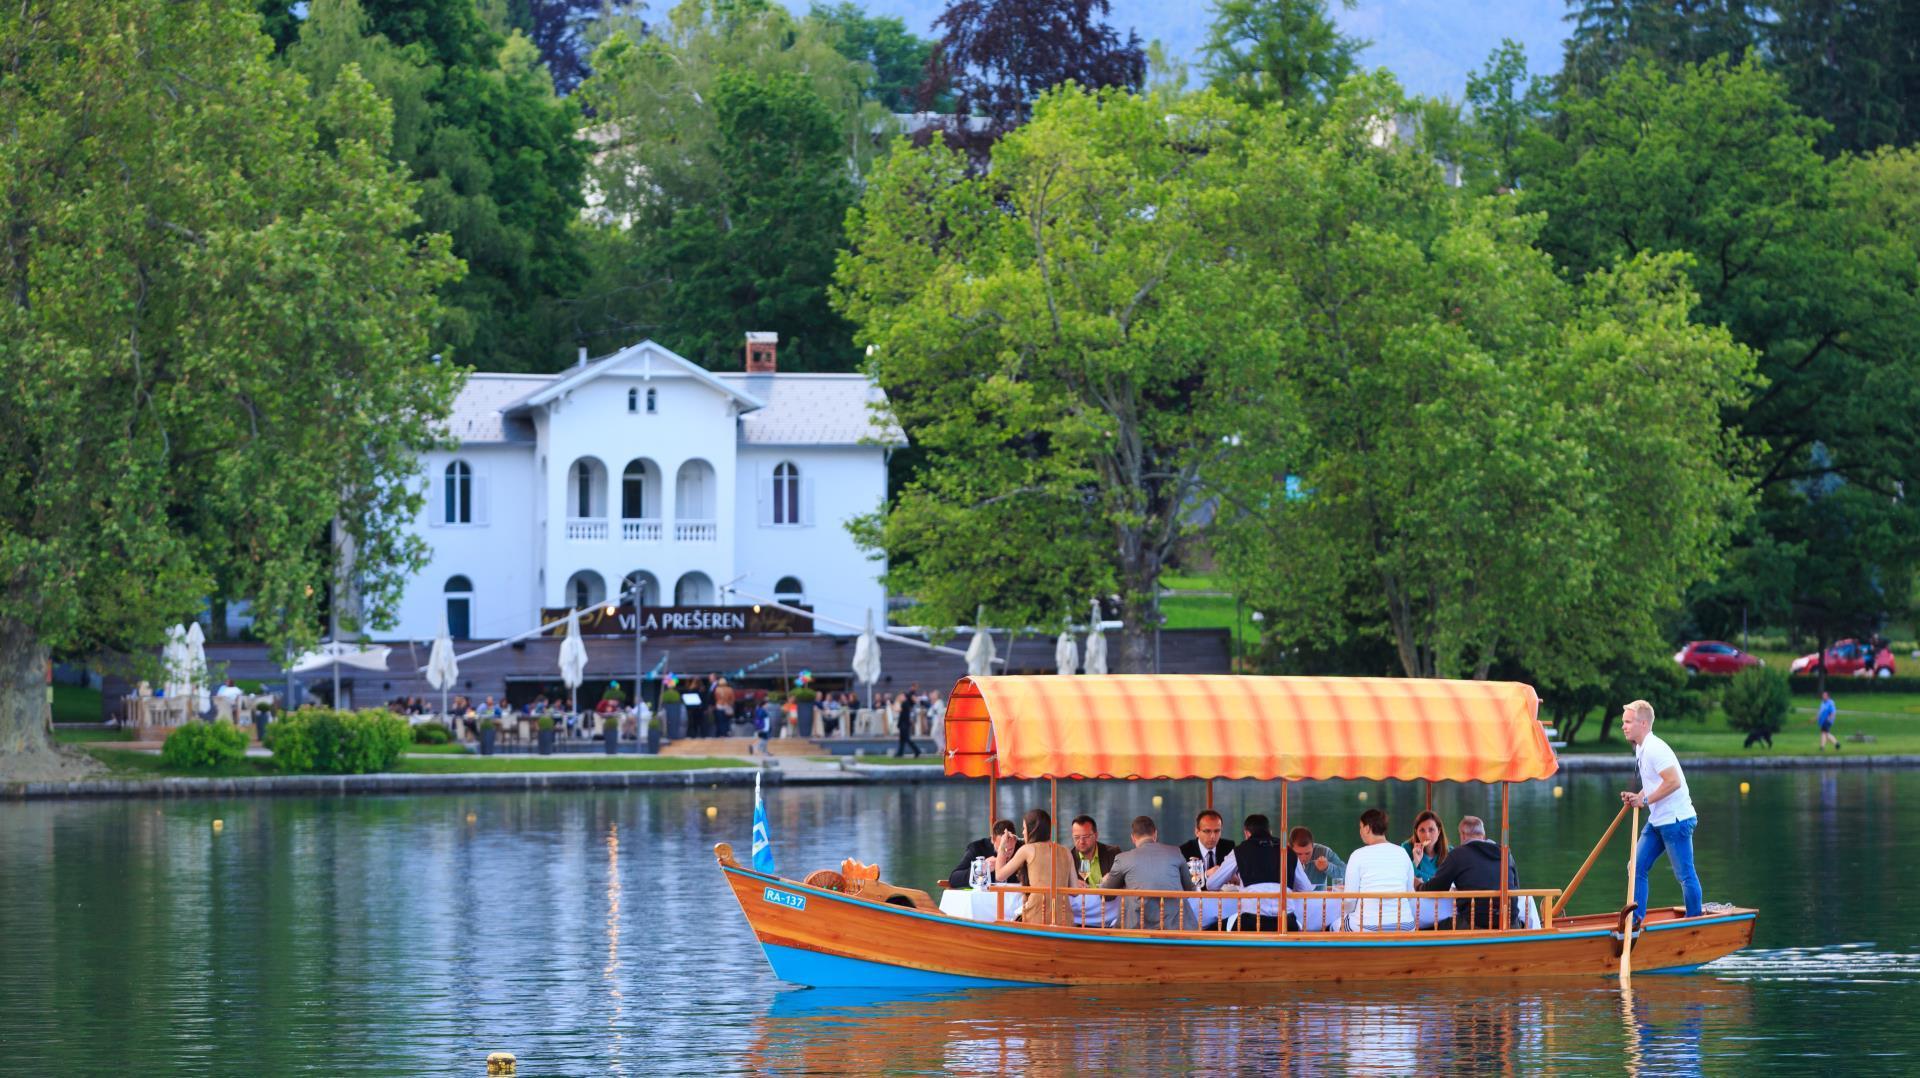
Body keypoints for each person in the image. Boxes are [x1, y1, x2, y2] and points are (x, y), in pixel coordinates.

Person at [1620, 698, 1703, 922]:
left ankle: (1694, 922)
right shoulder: (1640, 749)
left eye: (1628, 722)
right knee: (1635, 867)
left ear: (1643, 724)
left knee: (1685, 875)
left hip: (1677, 821)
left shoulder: (1655, 748)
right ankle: (1635, 921)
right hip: (1658, 820)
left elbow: (1673, 782)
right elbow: (1655, 784)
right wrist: (1638, 796)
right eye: (1623, 722)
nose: (1623, 726)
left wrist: (1644, 801)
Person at [1203, 814, 1312, 931]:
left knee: (1212, 928)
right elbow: (1306, 889)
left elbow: (1211, 885)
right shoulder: (1288, 851)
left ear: (1246, 833)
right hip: (1286, 923)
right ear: (1269, 831)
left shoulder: (1240, 851)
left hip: (1252, 923)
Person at [1420, 815, 1520, 929]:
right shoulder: (1506, 854)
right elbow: (1516, 886)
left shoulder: (1458, 854)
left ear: (1462, 835)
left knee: (1430, 927)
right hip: (1510, 923)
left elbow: (1436, 887)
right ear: (1483, 835)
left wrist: (1418, 885)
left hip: (1475, 923)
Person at [1101, 815, 1196, 929]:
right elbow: (1189, 889)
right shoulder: (1175, 852)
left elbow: (1106, 895)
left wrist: (1105, 880)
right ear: (1155, 834)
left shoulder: (1123, 859)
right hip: (1176, 927)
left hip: (1137, 927)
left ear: (1133, 838)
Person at [989, 809, 1075, 925]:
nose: (1023, 832)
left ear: (1032, 830)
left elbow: (999, 875)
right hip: (1064, 917)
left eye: (1024, 828)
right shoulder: (1066, 851)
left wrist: (1002, 847)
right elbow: (1075, 891)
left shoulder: (1027, 849)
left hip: (1038, 915)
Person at [1343, 808, 1415, 931]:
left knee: (1337, 923)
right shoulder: (1402, 853)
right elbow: (1410, 893)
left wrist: (1347, 912)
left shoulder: (1357, 855)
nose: (1360, 831)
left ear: (1367, 828)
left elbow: (1349, 899)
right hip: (1405, 925)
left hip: (1366, 927)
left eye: (1360, 827)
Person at [948, 819, 1022, 889]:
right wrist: (980, 869)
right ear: (993, 839)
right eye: (1001, 849)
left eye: (1010, 850)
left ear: (1015, 840)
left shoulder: (1022, 848)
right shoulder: (977, 848)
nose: (1005, 854)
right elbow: (954, 879)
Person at [1179, 810, 1236, 877]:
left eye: (1217, 831)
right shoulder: (1184, 851)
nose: (1213, 836)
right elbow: (1184, 881)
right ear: (1197, 832)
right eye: (1207, 831)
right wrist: (1206, 874)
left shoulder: (1229, 848)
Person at [1069, 816, 1121, 884]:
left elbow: (1125, 880)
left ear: (1096, 836)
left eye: (1086, 837)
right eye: (1076, 837)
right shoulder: (1069, 858)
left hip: (1107, 894)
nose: (1081, 841)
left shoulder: (1113, 853)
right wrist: (1071, 884)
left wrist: (1113, 880)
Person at [1402, 810, 1448, 884]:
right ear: (1416, 832)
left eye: (1431, 830)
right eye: (1422, 830)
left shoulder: (1449, 852)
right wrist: (1416, 861)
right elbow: (1402, 877)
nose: (1427, 835)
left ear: (1439, 831)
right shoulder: (1406, 849)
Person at [893, 683, 922, 758]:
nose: (900, 698)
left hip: (904, 724)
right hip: (904, 723)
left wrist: (891, 705)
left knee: (907, 739)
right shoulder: (905, 703)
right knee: (902, 740)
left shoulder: (905, 703)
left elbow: (897, 710)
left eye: (901, 696)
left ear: (904, 696)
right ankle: (900, 753)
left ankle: (917, 751)